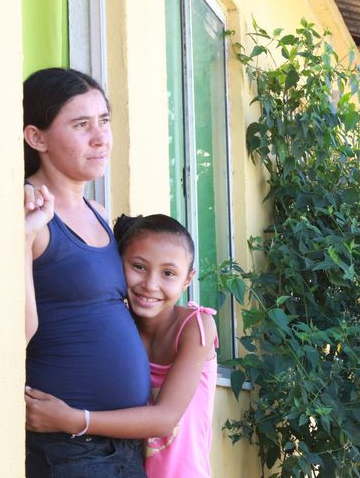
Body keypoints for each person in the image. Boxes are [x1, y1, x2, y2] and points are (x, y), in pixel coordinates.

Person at [23, 68, 150, 477]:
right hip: (69, 449)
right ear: (36, 137)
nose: (101, 138)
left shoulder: (98, 212)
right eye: (81, 125)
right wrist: (24, 236)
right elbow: (16, 333)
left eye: (104, 121)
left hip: (124, 444)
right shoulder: (28, 212)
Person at [25, 214, 219, 478]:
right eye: (138, 267)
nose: (150, 284)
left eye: (169, 273)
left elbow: (165, 420)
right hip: (125, 468)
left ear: (187, 279)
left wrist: (73, 419)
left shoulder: (197, 327)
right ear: (117, 264)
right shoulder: (120, 327)